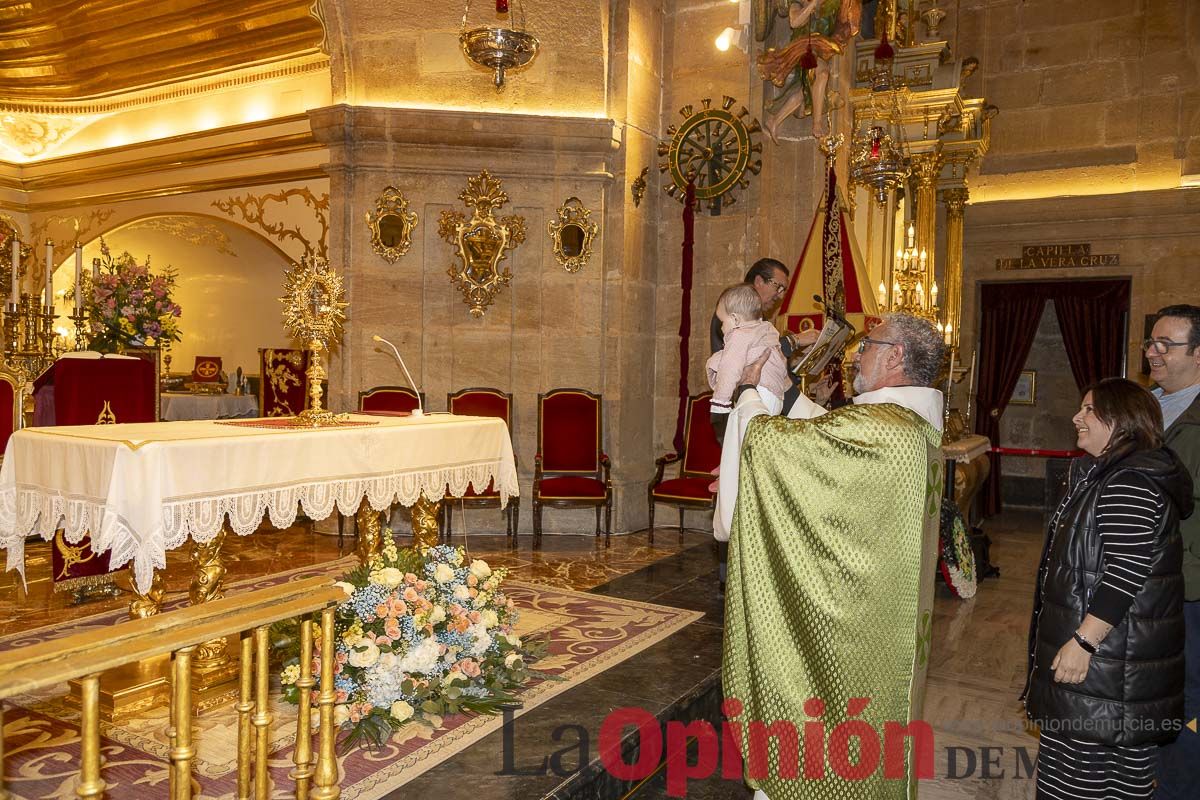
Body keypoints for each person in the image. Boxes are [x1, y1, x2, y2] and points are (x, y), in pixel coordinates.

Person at [719, 313, 947, 799]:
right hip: (882, 620)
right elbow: (827, 434)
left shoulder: (883, 428)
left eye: (868, 345)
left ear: (896, 356)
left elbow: (775, 445)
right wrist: (781, 394)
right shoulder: (909, 426)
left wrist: (748, 395)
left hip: (851, 633)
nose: (855, 354)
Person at [1023, 378, 1191, 800]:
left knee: (1082, 780)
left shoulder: (1128, 481)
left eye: (1089, 410)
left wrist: (1083, 642)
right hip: (1118, 665)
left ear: (1120, 420)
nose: (1077, 418)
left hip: (1109, 666)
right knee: (1112, 779)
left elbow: (1127, 570)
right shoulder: (1117, 471)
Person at [1146, 304, 1200, 798]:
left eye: (1167, 344)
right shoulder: (1143, 405)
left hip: (1189, 585)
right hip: (1137, 577)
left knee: (1187, 699)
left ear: (1199, 354)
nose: (1154, 353)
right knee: (1146, 688)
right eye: (1151, 343)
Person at [707, 284, 792, 443]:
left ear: (735, 319)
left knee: (742, 445)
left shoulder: (739, 334)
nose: (721, 327)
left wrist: (720, 403)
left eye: (722, 322)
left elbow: (730, 367)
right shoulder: (766, 328)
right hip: (776, 398)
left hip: (758, 394)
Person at [709, 258, 790, 354]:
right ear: (759, 281)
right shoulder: (735, 306)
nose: (781, 296)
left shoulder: (756, 314)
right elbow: (754, 350)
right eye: (778, 287)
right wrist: (794, 341)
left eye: (784, 290)